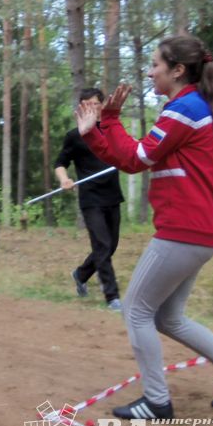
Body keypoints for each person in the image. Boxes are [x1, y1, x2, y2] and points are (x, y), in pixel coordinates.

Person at [75, 35, 213, 420]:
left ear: (177, 70)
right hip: (198, 230)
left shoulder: (184, 109)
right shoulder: (186, 107)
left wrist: (95, 130)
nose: (149, 73)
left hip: (183, 230)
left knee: (135, 310)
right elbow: (134, 157)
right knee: (168, 317)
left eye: (155, 66)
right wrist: (107, 124)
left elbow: (136, 157)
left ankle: (157, 401)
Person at [55, 88, 124, 312]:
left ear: (102, 106)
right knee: (102, 245)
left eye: (94, 104)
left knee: (110, 245)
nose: (90, 109)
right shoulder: (75, 136)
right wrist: (64, 179)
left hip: (112, 195)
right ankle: (112, 297)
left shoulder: (112, 130)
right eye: (85, 105)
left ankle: (81, 274)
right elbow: (60, 163)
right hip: (90, 198)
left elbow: (127, 152)